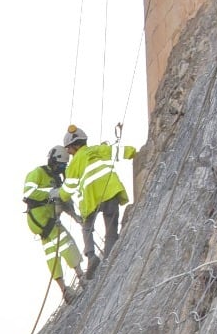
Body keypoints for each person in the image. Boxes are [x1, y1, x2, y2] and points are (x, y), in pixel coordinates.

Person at [60, 124, 138, 276]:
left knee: (87, 227)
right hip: (110, 191)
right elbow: (119, 151)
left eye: (68, 149)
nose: (68, 153)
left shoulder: (73, 165)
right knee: (111, 230)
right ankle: (108, 260)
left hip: (90, 200)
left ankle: (91, 256)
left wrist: (58, 194)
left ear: (74, 146)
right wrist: (133, 152)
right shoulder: (97, 150)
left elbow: (67, 192)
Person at [23, 145, 83, 302]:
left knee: (51, 253)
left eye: (63, 166)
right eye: (60, 165)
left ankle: (64, 290)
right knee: (66, 242)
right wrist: (51, 193)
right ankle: (81, 276)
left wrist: (75, 216)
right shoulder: (37, 173)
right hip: (41, 218)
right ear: (53, 161)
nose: (61, 169)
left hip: (45, 221)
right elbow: (28, 193)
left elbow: (63, 199)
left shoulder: (56, 179)